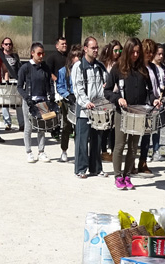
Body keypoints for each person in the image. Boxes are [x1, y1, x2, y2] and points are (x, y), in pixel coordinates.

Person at [106, 38, 160, 191]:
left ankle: (127, 175)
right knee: (119, 145)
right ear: (127, 51)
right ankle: (117, 176)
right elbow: (107, 91)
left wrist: (154, 100)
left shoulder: (143, 70)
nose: (135, 55)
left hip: (138, 113)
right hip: (122, 112)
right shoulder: (117, 68)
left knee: (133, 146)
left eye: (138, 52)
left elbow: (149, 92)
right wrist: (118, 99)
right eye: (133, 52)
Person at [72, 36, 109, 178]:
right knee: (82, 140)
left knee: (97, 140)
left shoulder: (100, 66)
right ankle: (80, 169)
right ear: (85, 49)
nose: (96, 50)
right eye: (93, 48)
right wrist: (86, 102)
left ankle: (96, 168)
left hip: (98, 109)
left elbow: (106, 83)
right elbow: (78, 88)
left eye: (97, 47)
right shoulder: (78, 67)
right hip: (84, 110)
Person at [17, 43, 56, 163]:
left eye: (43, 53)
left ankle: (41, 151)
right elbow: (19, 86)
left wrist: (52, 95)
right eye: (39, 53)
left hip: (43, 100)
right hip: (30, 101)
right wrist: (26, 98)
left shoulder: (45, 67)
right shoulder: (25, 68)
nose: (41, 56)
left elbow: (50, 82)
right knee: (28, 127)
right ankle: (28, 152)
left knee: (42, 127)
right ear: (32, 53)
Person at [56, 44, 83, 163]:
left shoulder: (84, 71)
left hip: (80, 100)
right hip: (68, 101)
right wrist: (68, 95)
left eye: (79, 56)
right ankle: (64, 150)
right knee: (66, 126)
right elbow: (60, 87)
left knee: (80, 128)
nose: (77, 59)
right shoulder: (63, 71)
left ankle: (79, 152)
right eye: (74, 56)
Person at [144, 41, 165, 165]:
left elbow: (160, 83)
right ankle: (146, 152)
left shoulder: (160, 68)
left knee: (157, 127)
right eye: (158, 54)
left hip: (157, 99)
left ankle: (156, 150)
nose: (161, 56)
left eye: (162, 54)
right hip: (147, 101)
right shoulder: (146, 67)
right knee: (147, 128)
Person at [100, 40, 122, 161]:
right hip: (106, 96)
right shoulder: (104, 64)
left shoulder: (121, 64)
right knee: (106, 126)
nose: (117, 53)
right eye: (115, 50)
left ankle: (113, 151)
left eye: (120, 50)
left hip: (117, 96)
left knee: (115, 126)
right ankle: (103, 150)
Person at [0, 37, 23, 131]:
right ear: (2, 45)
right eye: (6, 44)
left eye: (10, 44)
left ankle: (21, 124)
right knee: (5, 103)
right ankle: (7, 123)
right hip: (4, 81)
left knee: (18, 103)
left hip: (15, 80)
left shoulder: (15, 56)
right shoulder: (0, 56)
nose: (8, 46)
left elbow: (19, 68)